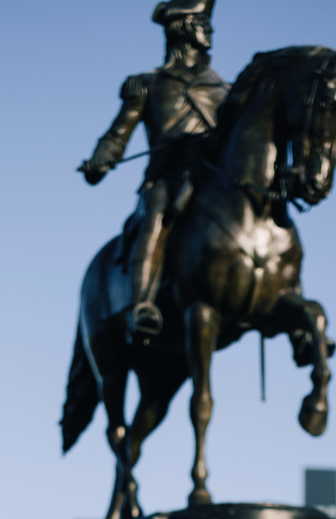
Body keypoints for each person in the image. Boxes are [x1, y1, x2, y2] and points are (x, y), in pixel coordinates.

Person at [80, 1, 227, 339]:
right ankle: (141, 304)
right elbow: (118, 135)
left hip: (209, 176)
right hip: (168, 177)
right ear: (184, 29)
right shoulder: (147, 84)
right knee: (156, 217)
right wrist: (99, 162)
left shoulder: (225, 91)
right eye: (203, 22)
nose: (211, 30)